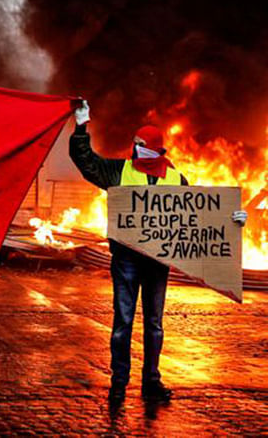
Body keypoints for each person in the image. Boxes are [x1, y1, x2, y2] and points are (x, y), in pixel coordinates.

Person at [69, 100, 247, 406]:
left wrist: (232, 220)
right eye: (135, 144)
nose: (136, 149)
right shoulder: (118, 170)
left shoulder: (175, 179)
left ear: (157, 150)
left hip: (158, 262)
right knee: (123, 321)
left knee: (154, 323)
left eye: (143, 145)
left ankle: (151, 381)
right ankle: (119, 383)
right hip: (126, 260)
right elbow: (85, 161)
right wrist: (81, 127)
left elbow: (199, 215)